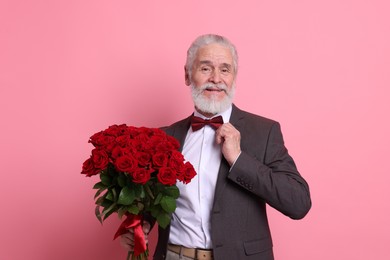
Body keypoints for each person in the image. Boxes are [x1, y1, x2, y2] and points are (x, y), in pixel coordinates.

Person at [120, 34, 311, 260]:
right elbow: (152, 202)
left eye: (225, 70)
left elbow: (298, 203)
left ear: (234, 77)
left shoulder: (264, 132)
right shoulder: (164, 138)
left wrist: (239, 159)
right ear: (187, 75)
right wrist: (139, 224)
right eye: (205, 69)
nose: (216, 79)